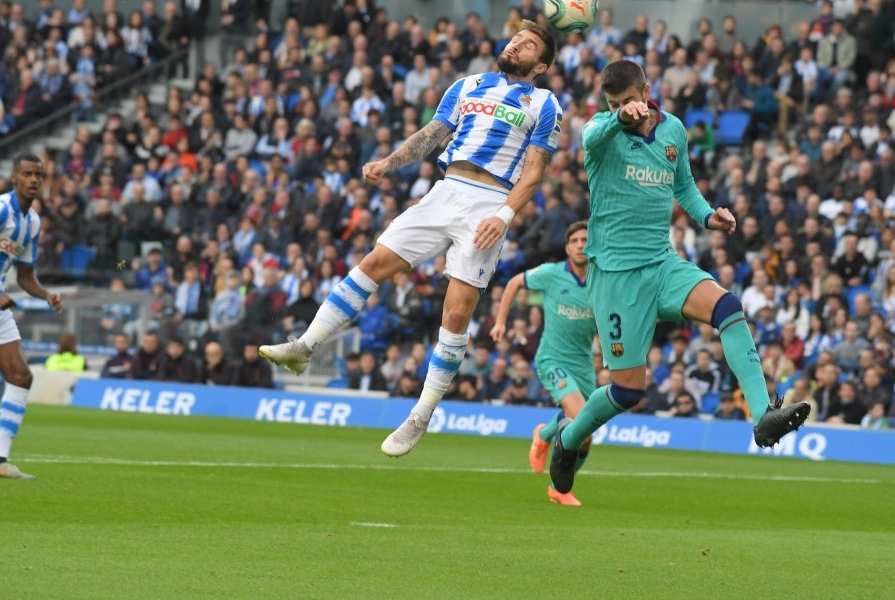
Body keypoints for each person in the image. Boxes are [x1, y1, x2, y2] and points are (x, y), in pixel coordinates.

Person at [260, 20, 562, 457]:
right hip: (446, 190)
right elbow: (434, 134)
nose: (516, 44)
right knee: (373, 264)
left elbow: (535, 170)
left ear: (542, 65)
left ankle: (421, 413)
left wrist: (505, 214)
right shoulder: (467, 85)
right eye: (516, 37)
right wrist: (389, 161)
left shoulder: (545, 103)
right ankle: (305, 346)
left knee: (457, 313)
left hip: (490, 201)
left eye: (528, 44)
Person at [549, 60, 811, 496]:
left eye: (630, 100)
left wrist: (709, 215)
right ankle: (568, 440)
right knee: (629, 390)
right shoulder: (601, 131)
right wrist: (616, 116)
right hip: (615, 276)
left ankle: (763, 414)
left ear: (647, 90)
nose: (624, 109)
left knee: (728, 306)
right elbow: (591, 137)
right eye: (614, 103)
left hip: (662, 262)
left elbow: (683, 186)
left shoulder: (672, 131)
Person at [491, 221, 596, 506]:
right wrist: (501, 322)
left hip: (584, 364)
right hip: (552, 359)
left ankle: (544, 434)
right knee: (582, 420)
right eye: (574, 240)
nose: (579, 244)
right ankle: (558, 489)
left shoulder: (603, 279)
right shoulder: (551, 274)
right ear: (567, 247)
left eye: (585, 239)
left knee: (587, 437)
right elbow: (514, 283)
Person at [0, 153, 64, 479]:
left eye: (39, 174)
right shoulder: (1, 210)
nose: (34, 179)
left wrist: (45, 294)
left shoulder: (33, 222)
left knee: (21, 376)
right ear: (14, 178)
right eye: (27, 174)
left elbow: (25, 276)